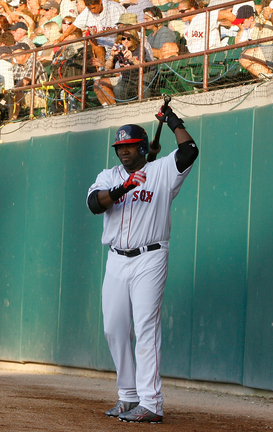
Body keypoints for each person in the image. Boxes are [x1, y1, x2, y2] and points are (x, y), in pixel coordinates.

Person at [86, 103, 198, 424]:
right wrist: (123, 187)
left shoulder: (161, 171)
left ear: (142, 147)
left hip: (150, 256)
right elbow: (94, 204)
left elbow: (189, 151)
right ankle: (128, 395)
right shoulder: (108, 176)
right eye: (119, 147)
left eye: (130, 146)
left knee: (146, 327)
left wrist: (172, 120)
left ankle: (151, 402)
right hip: (116, 259)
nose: (123, 151)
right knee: (114, 328)